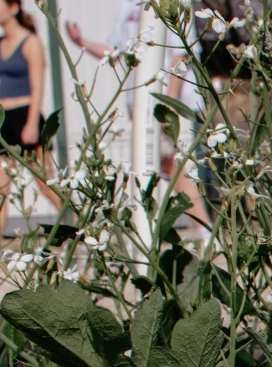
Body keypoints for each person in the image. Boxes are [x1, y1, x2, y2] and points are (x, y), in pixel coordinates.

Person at [66, 0, 210, 229]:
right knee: (162, 166)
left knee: (177, 166)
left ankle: (204, 231)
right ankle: (187, 228)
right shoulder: (128, 6)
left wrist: (169, 106)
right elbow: (117, 52)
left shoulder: (173, 2)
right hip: (141, 103)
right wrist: (81, 42)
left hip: (168, 102)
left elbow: (180, 55)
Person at [0, 0, 62, 233]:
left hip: (26, 116)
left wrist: (32, 124)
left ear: (14, 7)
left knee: (46, 183)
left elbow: (37, 86)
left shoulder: (30, 42)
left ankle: (80, 227)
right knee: (0, 191)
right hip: (3, 119)